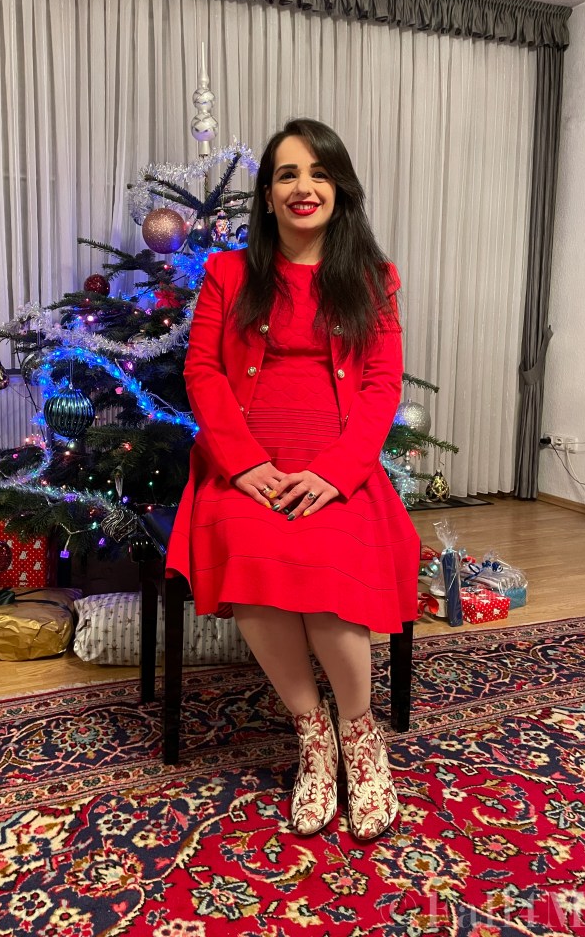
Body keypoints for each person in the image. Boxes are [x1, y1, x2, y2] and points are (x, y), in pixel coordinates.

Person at [166, 118, 420, 841]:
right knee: (250, 552)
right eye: (286, 174)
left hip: (340, 468)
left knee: (329, 559)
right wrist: (244, 465)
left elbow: (381, 384)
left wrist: (336, 475)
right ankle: (313, 736)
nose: (303, 187)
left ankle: (360, 732)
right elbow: (203, 370)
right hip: (243, 465)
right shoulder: (226, 274)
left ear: (339, 188)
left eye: (318, 172)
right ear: (268, 196)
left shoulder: (374, 278)